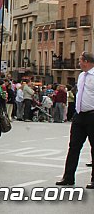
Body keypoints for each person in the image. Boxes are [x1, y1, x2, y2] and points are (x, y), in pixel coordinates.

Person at [56, 52, 94, 189]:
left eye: (80, 61)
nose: (79, 63)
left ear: (87, 61)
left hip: (92, 115)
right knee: (73, 147)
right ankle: (68, 177)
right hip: (80, 115)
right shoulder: (82, 76)